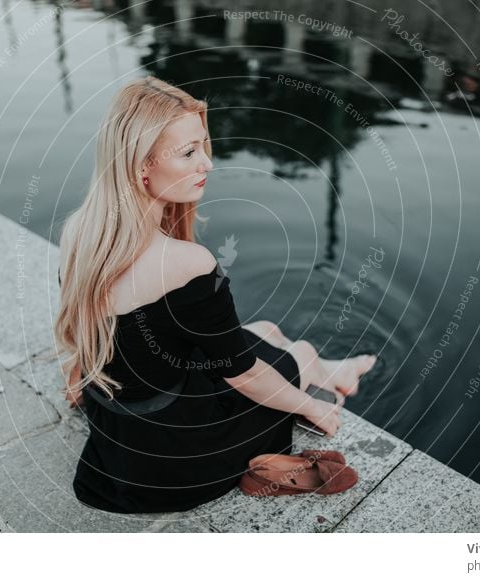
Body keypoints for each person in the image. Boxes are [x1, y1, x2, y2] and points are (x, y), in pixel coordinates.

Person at [53, 76, 377, 514]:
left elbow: (92, 329)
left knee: (264, 329)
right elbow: (241, 375)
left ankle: (333, 369)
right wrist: (309, 408)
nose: (207, 164)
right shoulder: (185, 262)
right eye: (188, 153)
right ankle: (331, 376)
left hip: (121, 429)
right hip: (174, 450)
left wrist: (77, 382)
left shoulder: (81, 230)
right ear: (140, 167)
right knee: (292, 351)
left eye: (204, 145)